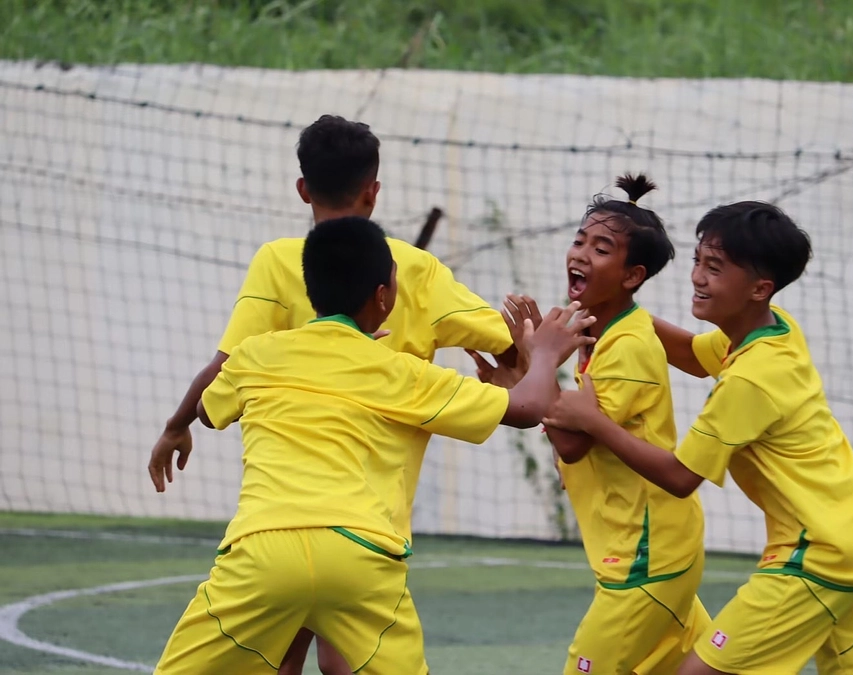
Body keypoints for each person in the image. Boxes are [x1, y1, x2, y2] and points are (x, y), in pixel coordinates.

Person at [147, 114, 515, 675]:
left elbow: (222, 369)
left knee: (277, 649)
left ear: (302, 189)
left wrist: (178, 425)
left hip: (285, 505)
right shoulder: (415, 269)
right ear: (374, 191)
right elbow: (509, 342)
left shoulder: (279, 260)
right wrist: (523, 371)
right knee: (346, 657)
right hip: (368, 513)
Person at [152, 216, 596, 674]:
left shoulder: (257, 354)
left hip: (264, 549)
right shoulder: (397, 370)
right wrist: (542, 354)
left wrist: (180, 424)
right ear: (383, 298)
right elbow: (527, 409)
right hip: (360, 552)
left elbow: (208, 409)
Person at [544, 201, 853, 675]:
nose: (697, 277)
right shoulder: (772, 333)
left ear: (759, 288)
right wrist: (608, 310)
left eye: (715, 268)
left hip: (819, 556)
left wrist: (593, 419)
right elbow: (689, 352)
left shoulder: (750, 380)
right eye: (699, 261)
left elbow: (680, 477)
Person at [475, 175, 710, 675]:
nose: (580, 253)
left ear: (632, 276)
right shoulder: (596, 332)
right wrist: (526, 370)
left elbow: (573, 442)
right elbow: (563, 423)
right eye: (580, 240)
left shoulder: (624, 347)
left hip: (646, 560)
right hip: (651, 553)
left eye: (601, 249)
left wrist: (535, 364)